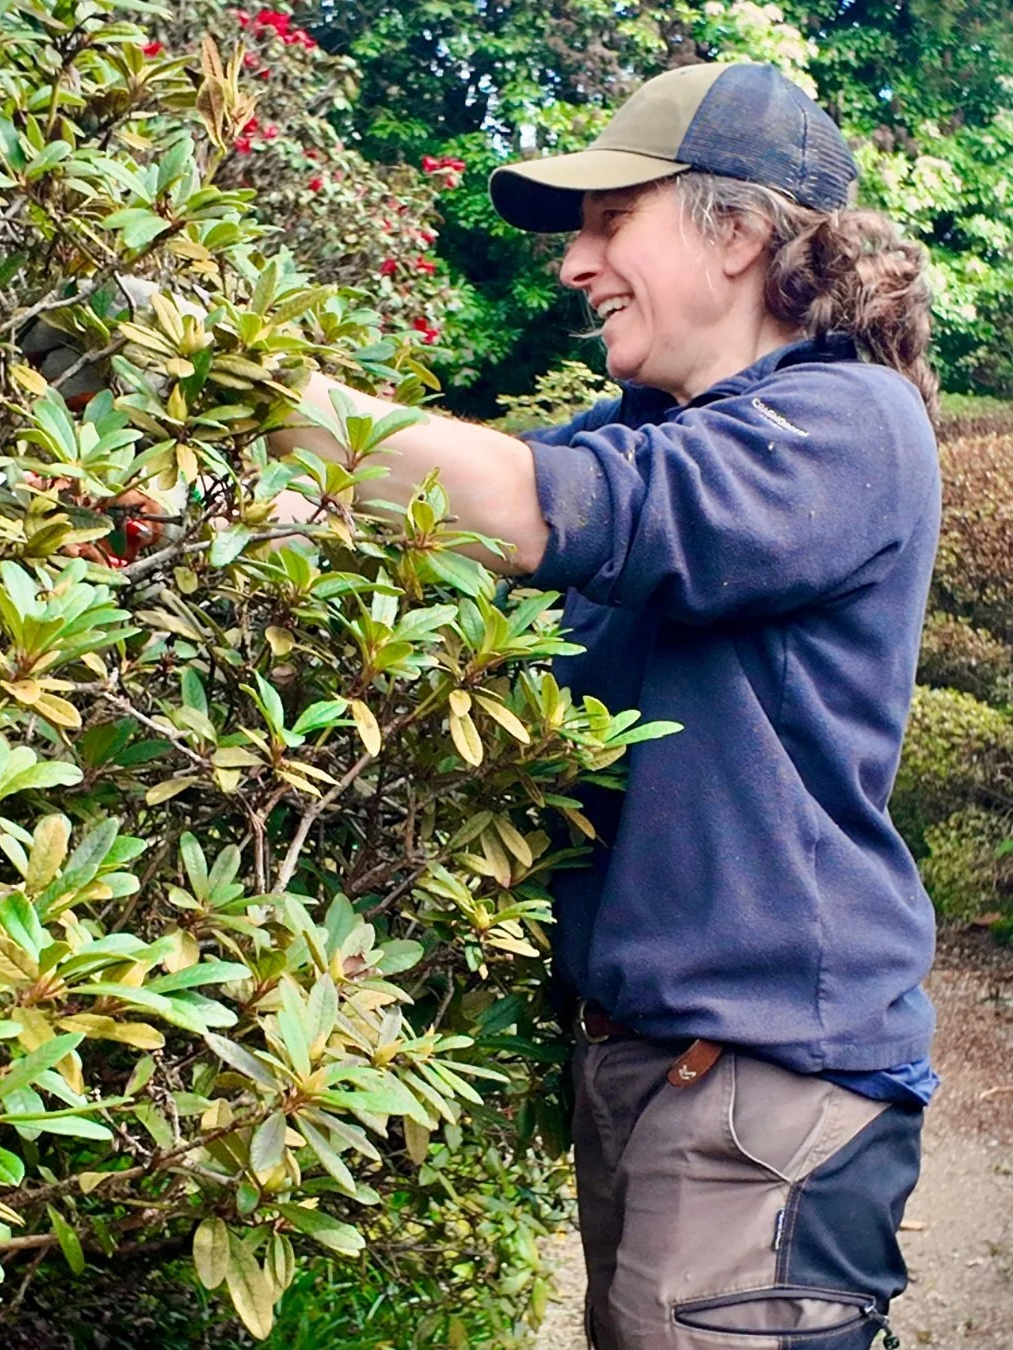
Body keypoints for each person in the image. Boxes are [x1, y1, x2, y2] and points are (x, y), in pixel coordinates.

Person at [278, 59, 940, 1350]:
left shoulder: (849, 425)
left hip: (766, 1080)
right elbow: (460, 530)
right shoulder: (645, 422)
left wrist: (246, 390)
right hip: (649, 1060)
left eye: (608, 219)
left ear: (740, 233)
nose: (574, 264)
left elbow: (560, 507)